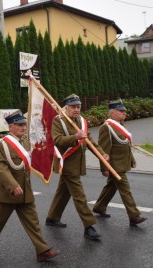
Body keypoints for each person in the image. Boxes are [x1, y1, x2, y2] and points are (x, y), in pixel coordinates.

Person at [0, 110, 60, 262]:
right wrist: (13, 185)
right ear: (11, 127)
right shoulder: (2, 144)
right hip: (8, 192)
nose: (23, 127)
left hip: (25, 191)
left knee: (33, 222)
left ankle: (42, 251)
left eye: (24, 124)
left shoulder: (25, 142)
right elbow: (1, 168)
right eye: (19, 125)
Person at [45, 94, 109, 241]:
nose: (76, 109)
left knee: (63, 192)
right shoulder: (58, 121)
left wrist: (101, 154)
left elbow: (89, 140)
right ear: (66, 107)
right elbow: (57, 140)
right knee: (79, 196)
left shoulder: (81, 121)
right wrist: (75, 137)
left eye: (78, 106)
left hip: (77, 163)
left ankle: (52, 217)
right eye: (73, 107)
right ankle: (89, 226)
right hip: (66, 163)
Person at [92, 100, 148, 226]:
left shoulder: (121, 125)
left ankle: (99, 207)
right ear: (112, 113)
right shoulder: (106, 127)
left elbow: (126, 146)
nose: (124, 113)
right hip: (114, 166)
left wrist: (132, 160)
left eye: (124, 111)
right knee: (125, 189)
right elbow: (103, 149)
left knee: (111, 187)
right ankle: (134, 215)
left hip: (122, 163)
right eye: (121, 111)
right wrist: (104, 168)